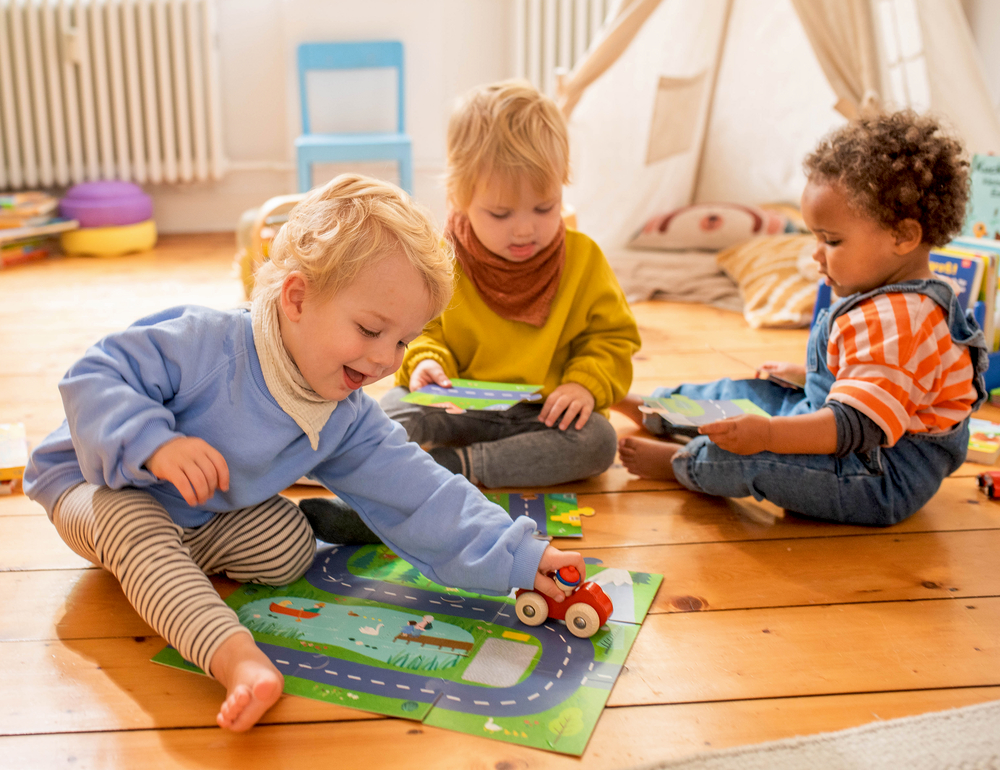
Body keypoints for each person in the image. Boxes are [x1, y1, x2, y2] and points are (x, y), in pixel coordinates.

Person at [22, 174, 584, 734]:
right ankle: (232, 657)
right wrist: (155, 444)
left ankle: (177, 561)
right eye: (369, 329)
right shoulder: (206, 343)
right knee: (133, 521)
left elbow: (421, 491)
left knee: (290, 551)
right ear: (296, 297)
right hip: (95, 487)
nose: (386, 360)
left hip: (203, 513)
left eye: (402, 341)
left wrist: (521, 557)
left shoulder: (346, 410)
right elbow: (95, 375)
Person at [615, 110, 988, 526]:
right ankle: (657, 411)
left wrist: (769, 435)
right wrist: (803, 377)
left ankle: (687, 465)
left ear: (903, 236)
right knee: (754, 394)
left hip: (879, 476)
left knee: (754, 455)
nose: (816, 253)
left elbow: (854, 426)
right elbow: (879, 382)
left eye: (831, 241)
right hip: (856, 436)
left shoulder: (900, 318)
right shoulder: (896, 296)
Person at [381, 80, 641, 488]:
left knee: (599, 441)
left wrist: (584, 385)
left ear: (562, 186)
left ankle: (454, 468)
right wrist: (428, 363)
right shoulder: (439, 256)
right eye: (500, 214)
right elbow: (420, 329)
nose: (524, 230)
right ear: (458, 198)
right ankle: (375, 471)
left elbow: (612, 338)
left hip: (544, 415)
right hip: (459, 406)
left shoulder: (584, 259)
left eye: (544, 207)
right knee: (392, 410)